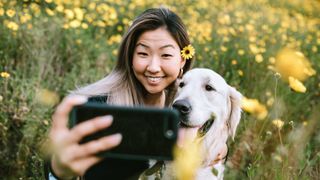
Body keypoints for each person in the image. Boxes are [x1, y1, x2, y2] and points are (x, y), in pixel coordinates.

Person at [46, 7, 225, 180]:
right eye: (143, 53)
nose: (153, 67)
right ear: (130, 57)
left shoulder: (181, 103)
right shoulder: (100, 107)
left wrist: (221, 148)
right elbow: (62, 162)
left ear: (182, 62)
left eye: (166, 55)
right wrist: (59, 170)